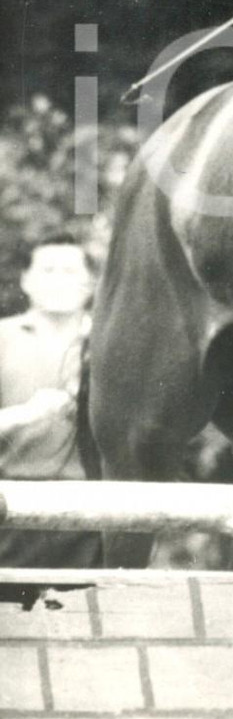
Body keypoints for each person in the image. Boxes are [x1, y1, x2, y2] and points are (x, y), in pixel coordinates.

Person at [0, 236, 101, 568]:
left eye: (70, 270)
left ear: (90, 283)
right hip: (9, 506)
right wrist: (26, 415)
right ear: (26, 280)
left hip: (95, 508)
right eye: (48, 270)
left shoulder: (109, 347)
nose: (59, 279)